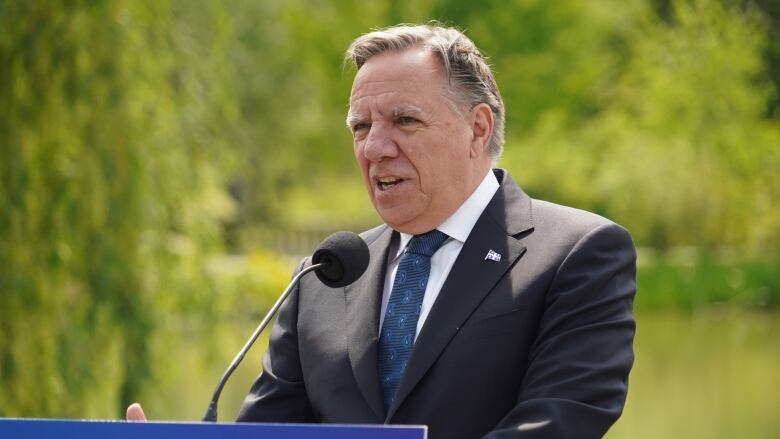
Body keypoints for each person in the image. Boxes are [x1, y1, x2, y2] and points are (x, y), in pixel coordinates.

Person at [129, 24, 636, 439]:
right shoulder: (322, 277)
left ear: (478, 129)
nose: (374, 147)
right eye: (360, 127)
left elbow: (554, 426)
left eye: (404, 121)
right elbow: (269, 432)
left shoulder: (577, 252)